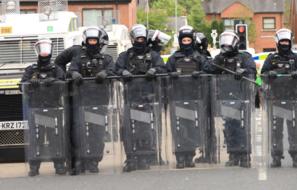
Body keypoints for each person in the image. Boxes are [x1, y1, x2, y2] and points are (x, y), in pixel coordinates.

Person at [115, 24, 167, 172]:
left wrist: (154, 69)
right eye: (138, 38)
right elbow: (115, 69)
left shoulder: (153, 56)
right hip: (130, 97)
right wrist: (122, 72)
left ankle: (145, 157)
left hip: (148, 98)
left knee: (144, 128)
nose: (140, 41)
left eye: (142, 38)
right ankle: (131, 158)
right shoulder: (125, 56)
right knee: (127, 130)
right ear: (133, 39)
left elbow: (163, 68)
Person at [205, 30, 256, 167]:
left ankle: (245, 155)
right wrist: (219, 61)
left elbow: (252, 71)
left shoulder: (244, 57)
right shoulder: (219, 58)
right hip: (225, 97)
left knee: (242, 127)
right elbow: (208, 68)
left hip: (241, 97)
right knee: (229, 127)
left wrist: (243, 71)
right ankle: (233, 154)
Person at [68, 26, 115, 174]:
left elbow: (114, 70)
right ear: (85, 41)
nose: (92, 43)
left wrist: (106, 73)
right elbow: (71, 70)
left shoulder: (107, 59)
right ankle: (81, 159)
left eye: (95, 40)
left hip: (99, 101)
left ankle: (94, 160)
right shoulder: (78, 58)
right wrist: (74, 73)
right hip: (81, 101)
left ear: (99, 41)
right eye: (90, 40)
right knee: (80, 132)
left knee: (97, 133)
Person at [261, 28, 297, 168]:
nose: (285, 43)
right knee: (275, 129)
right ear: (277, 42)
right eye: (282, 41)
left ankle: (296, 156)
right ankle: (276, 156)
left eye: (287, 41)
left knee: (294, 129)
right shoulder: (271, 58)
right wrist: (269, 74)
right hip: (275, 98)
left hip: (293, 99)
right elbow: (260, 77)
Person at [21, 38, 66, 176]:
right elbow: (22, 86)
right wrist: (31, 83)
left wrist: (55, 81)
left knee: (55, 137)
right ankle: (34, 166)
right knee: (36, 138)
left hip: (53, 108)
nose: (44, 53)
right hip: (36, 109)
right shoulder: (31, 69)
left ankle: (59, 164)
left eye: (46, 50)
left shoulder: (56, 69)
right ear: (37, 52)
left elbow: (64, 83)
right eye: (42, 50)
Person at [166, 25, 208, 168]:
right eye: (183, 40)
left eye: (188, 40)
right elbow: (164, 72)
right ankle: (179, 156)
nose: (186, 42)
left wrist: (201, 74)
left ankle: (189, 156)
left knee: (192, 127)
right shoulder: (174, 58)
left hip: (195, 98)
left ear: (192, 40)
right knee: (178, 127)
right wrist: (170, 75)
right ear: (180, 41)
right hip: (177, 98)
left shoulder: (199, 57)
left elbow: (209, 70)